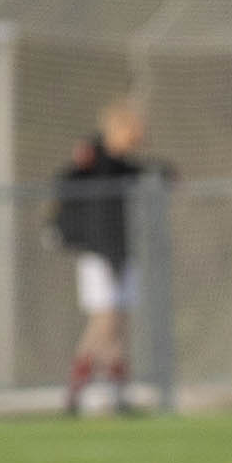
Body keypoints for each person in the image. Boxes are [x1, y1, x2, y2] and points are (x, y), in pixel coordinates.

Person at [54, 103, 164, 415]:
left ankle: (118, 393)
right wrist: (89, 150)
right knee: (104, 321)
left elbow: (145, 170)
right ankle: (77, 389)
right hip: (99, 255)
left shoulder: (123, 167)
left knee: (118, 324)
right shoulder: (93, 161)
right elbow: (69, 179)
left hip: (123, 254)